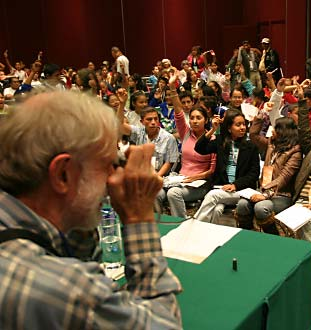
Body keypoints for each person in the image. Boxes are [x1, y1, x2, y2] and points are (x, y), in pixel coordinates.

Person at [0, 91, 182, 328]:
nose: (113, 179)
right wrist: (139, 218)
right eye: (108, 164)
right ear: (63, 174)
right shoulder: (67, 289)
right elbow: (164, 325)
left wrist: (80, 207)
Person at [157, 73, 216, 218]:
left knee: (173, 193)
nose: (195, 121)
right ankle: (161, 224)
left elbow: (211, 171)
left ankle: (182, 225)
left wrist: (195, 177)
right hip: (179, 179)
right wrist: (172, 87)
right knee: (155, 192)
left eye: (199, 118)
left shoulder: (213, 139)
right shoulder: (186, 133)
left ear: (206, 120)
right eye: (193, 118)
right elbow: (178, 112)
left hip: (199, 184)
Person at [193, 109, 260, 225]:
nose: (242, 127)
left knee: (213, 196)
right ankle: (210, 234)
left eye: (244, 124)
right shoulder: (221, 141)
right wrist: (213, 130)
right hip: (221, 188)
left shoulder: (251, 146)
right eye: (238, 125)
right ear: (229, 128)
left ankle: (195, 225)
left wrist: (235, 185)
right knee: (217, 209)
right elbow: (199, 148)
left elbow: (254, 174)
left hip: (241, 190)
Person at [237, 116, 302, 234]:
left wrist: (266, 194)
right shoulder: (271, 144)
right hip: (263, 190)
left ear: (283, 132)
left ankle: (273, 239)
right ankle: (248, 236)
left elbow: (283, 178)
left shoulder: (295, 153)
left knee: (261, 208)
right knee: (242, 205)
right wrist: (261, 115)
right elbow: (253, 135)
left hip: (282, 195)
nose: (272, 130)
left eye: (275, 128)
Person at [117, 92, 179, 178]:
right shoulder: (139, 132)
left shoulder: (168, 138)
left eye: (155, 119)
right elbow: (120, 125)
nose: (153, 122)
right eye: (149, 119)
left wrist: (156, 178)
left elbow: (169, 162)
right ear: (142, 122)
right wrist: (122, 104)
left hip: (160, 176)